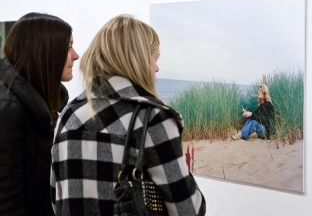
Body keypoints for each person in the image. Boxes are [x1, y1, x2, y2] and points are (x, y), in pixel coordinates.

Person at [51, 14, 206, 216]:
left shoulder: (68, 115)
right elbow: (188, 210)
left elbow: (56, 201)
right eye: (154, 58)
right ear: (137, 61)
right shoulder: (152, 118)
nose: (157, 68)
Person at [0, 12, 79, 216]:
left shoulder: (41, 101)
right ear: (45, 51)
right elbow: (7, 201)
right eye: (68, 47)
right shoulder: (9, 108)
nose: (76, 55)